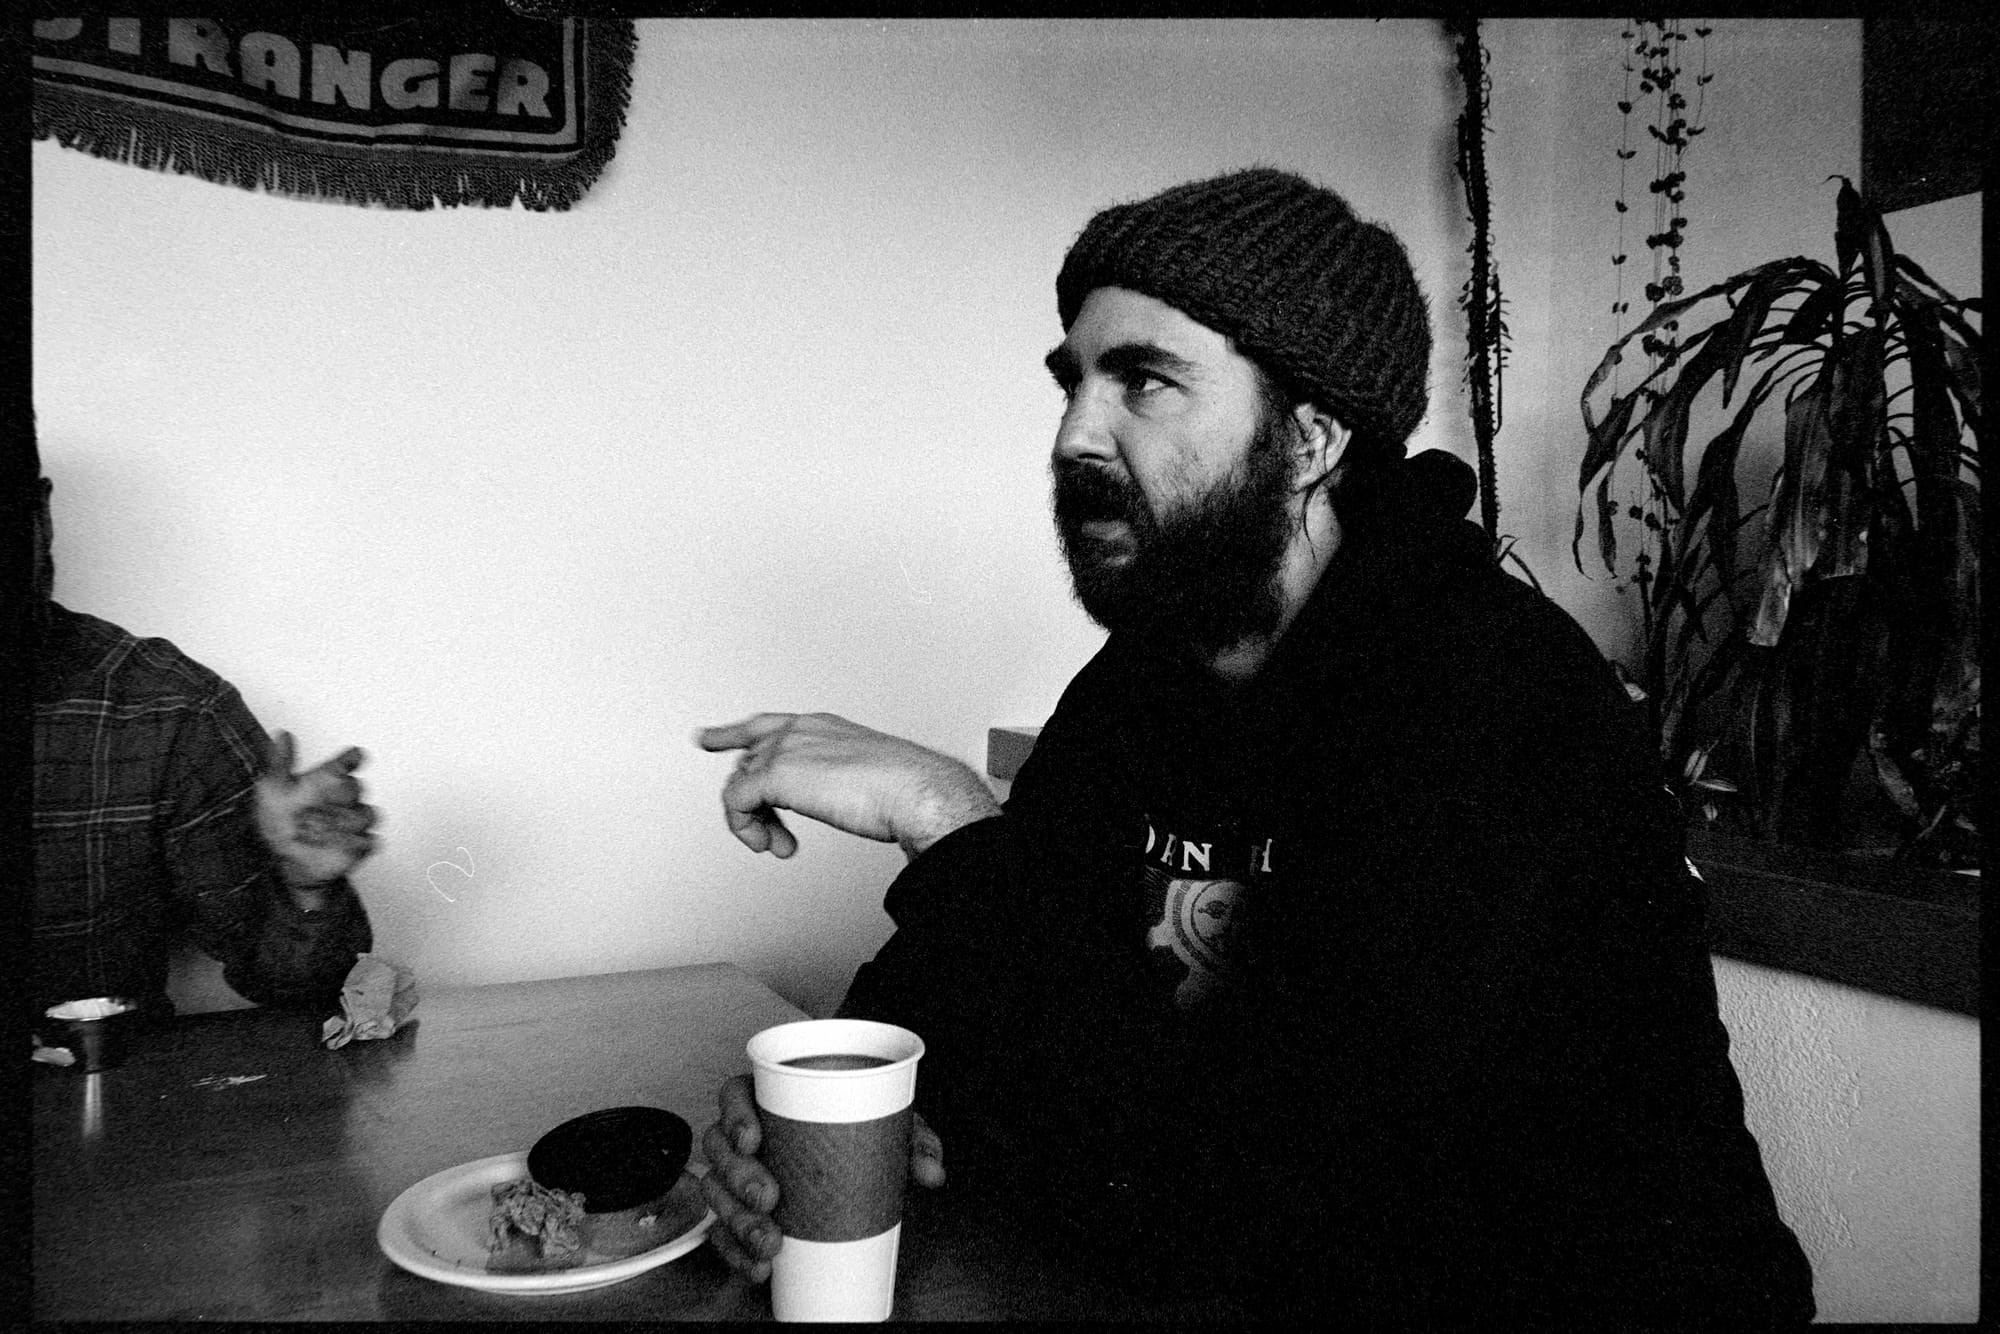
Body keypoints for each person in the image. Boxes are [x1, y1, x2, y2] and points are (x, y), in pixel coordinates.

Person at [693, 168, 1816, 1322]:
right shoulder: (1141, 683)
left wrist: (946, 816)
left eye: (1144, 381)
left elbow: (1281, 1204)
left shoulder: (1493, 701)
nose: (1076, 432)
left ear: (1315, 431)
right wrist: (832, 1108)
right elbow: (974, 1020)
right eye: (1073, 381)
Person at [30, 474, 379, 1024]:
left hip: (97, 1091)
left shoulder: (167, 710)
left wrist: (304, 885)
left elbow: (294, 982)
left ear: (40, 517)